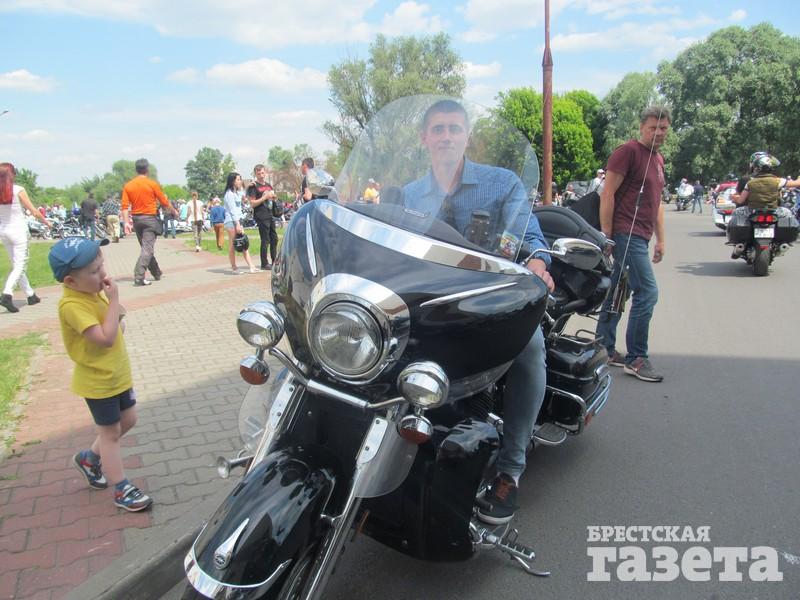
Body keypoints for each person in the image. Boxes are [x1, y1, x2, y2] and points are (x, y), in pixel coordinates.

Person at [402, 99, 554, 524]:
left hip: (491, 299)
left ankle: (510, 469)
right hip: (430, 302)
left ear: (467, 136)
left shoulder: (501, 183)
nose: (446, 136)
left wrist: (537, 263)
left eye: (454, 128)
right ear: (424, 138)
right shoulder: (410, 194)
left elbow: (531, 237)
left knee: (529, 350)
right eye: (438, 129)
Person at [48, 237, 153, 512]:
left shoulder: (92, 293)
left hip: (117, 374)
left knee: (128, 420)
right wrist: (114, 300)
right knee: (110, 434)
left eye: (101, 265)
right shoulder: (72, 305)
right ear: (71, 281)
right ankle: (121, 488)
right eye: (94, 272)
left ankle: (89, 459)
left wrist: (111, 308)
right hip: (98, 382)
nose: (103, 273)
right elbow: (105, 339)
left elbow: (117, 329)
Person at [596, 105, 670, 383]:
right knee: (647, 292)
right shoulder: (628, 152)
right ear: (642, 127)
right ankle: (637, 358)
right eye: (654, 127)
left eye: (663, 128)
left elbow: (657, 203)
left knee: (618, 291)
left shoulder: (658, 160)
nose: (659, 133)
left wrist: (661, 239)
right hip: (625, 233)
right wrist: (606, 234)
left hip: (641, 235)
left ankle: (603, 347)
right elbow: (608, 193)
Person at [0, 163, 50, 313]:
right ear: (12, 175)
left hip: (4, 231)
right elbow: (34, 211)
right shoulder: (18, 190)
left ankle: (30, 295)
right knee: (20, 265)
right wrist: (46, 222)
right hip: (19, 231)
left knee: (16, 265)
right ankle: (7, 294)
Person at [121, 158, 177, 286]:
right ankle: (139, 276)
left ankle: (157, 273)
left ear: (136, 170)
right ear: (147, 169)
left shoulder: (128, 186)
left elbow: (124, 207)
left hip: (136, 220)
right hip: (150, 219)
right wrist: (174, 211)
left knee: (146, 248)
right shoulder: (152, 184)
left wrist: (126, 223)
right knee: (147, 249)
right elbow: (164, 202)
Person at [222, 172, 256, 274]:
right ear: (232, 181)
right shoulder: (229, 194)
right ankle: (234, 267)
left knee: (244, 242)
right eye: (238, 179)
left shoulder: (236, 193)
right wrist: (237, 224)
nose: (240, 181)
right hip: (231, 222)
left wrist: (248, 186)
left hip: (238, 221)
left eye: (240, 179)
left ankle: (251, 266)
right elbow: (232, 211)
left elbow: (243, 195)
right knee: (233, 244)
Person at [247, 164, 278, 269]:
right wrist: (264, 197)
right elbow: (252, 203)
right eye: (258, 173)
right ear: (255, 174)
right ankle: (264, 263)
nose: (261, 175)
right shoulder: (253, 186)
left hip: (270, 214)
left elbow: (273, 198)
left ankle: (275, 261)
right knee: (265, 239)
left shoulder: (269, 185)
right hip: (261, 215)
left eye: (262, 173)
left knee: (274, 238)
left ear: (265, 173)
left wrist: (273, 197)